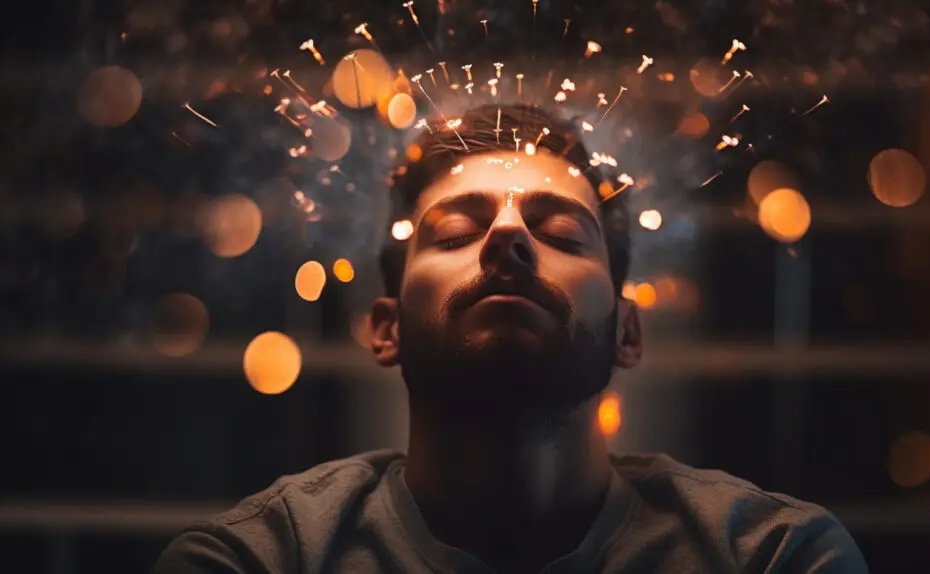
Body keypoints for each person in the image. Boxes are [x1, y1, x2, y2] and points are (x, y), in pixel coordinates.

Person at [153, 103, 868, 573]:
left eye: (559, 232)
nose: (508, 238)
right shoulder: (260, 560)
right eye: (457, 231)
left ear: (627, 331)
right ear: (386, 328)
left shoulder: (771, 558)